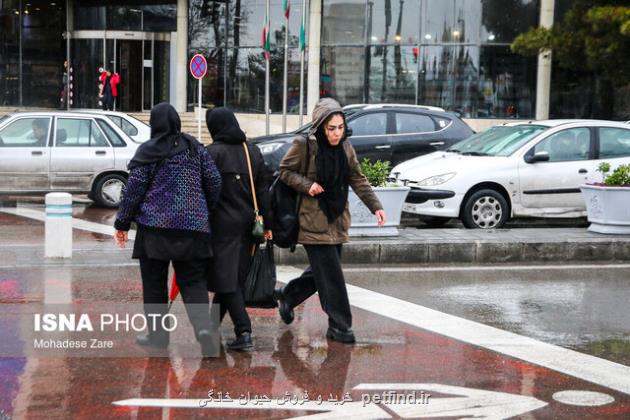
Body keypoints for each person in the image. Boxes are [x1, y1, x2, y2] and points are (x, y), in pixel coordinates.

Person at [113, 103, 222, 356]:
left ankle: (158, 337)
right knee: (193, 281)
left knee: (154, 286)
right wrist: (205, 208)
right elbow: (214, 180)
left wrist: (122, 223)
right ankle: (204, 330)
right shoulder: (195, 148)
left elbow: (134, 190)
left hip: (154, 229)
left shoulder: (148, 151)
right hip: (193, 228)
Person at [274, 98, 386, 344]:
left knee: (321, 273)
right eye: (331, 129)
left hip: (337, 218)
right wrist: (308, 184)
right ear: (320, 127)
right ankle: (340, 326)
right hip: (313, 220)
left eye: (340, 128)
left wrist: (375, 206)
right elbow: (284, 171)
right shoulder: (305, 146)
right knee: (332, 276)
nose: (337, 133)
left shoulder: (345, 147)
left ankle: (288, 296)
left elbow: (357, 179)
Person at [205, 107, 273, 351]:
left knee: (228, 281)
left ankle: (243, 331)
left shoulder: (212, 153)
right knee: (231, 278)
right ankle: (211, 325)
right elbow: (264, 190)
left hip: (221, 227)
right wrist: (268, 224)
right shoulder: (251, 151)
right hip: (248, 227)